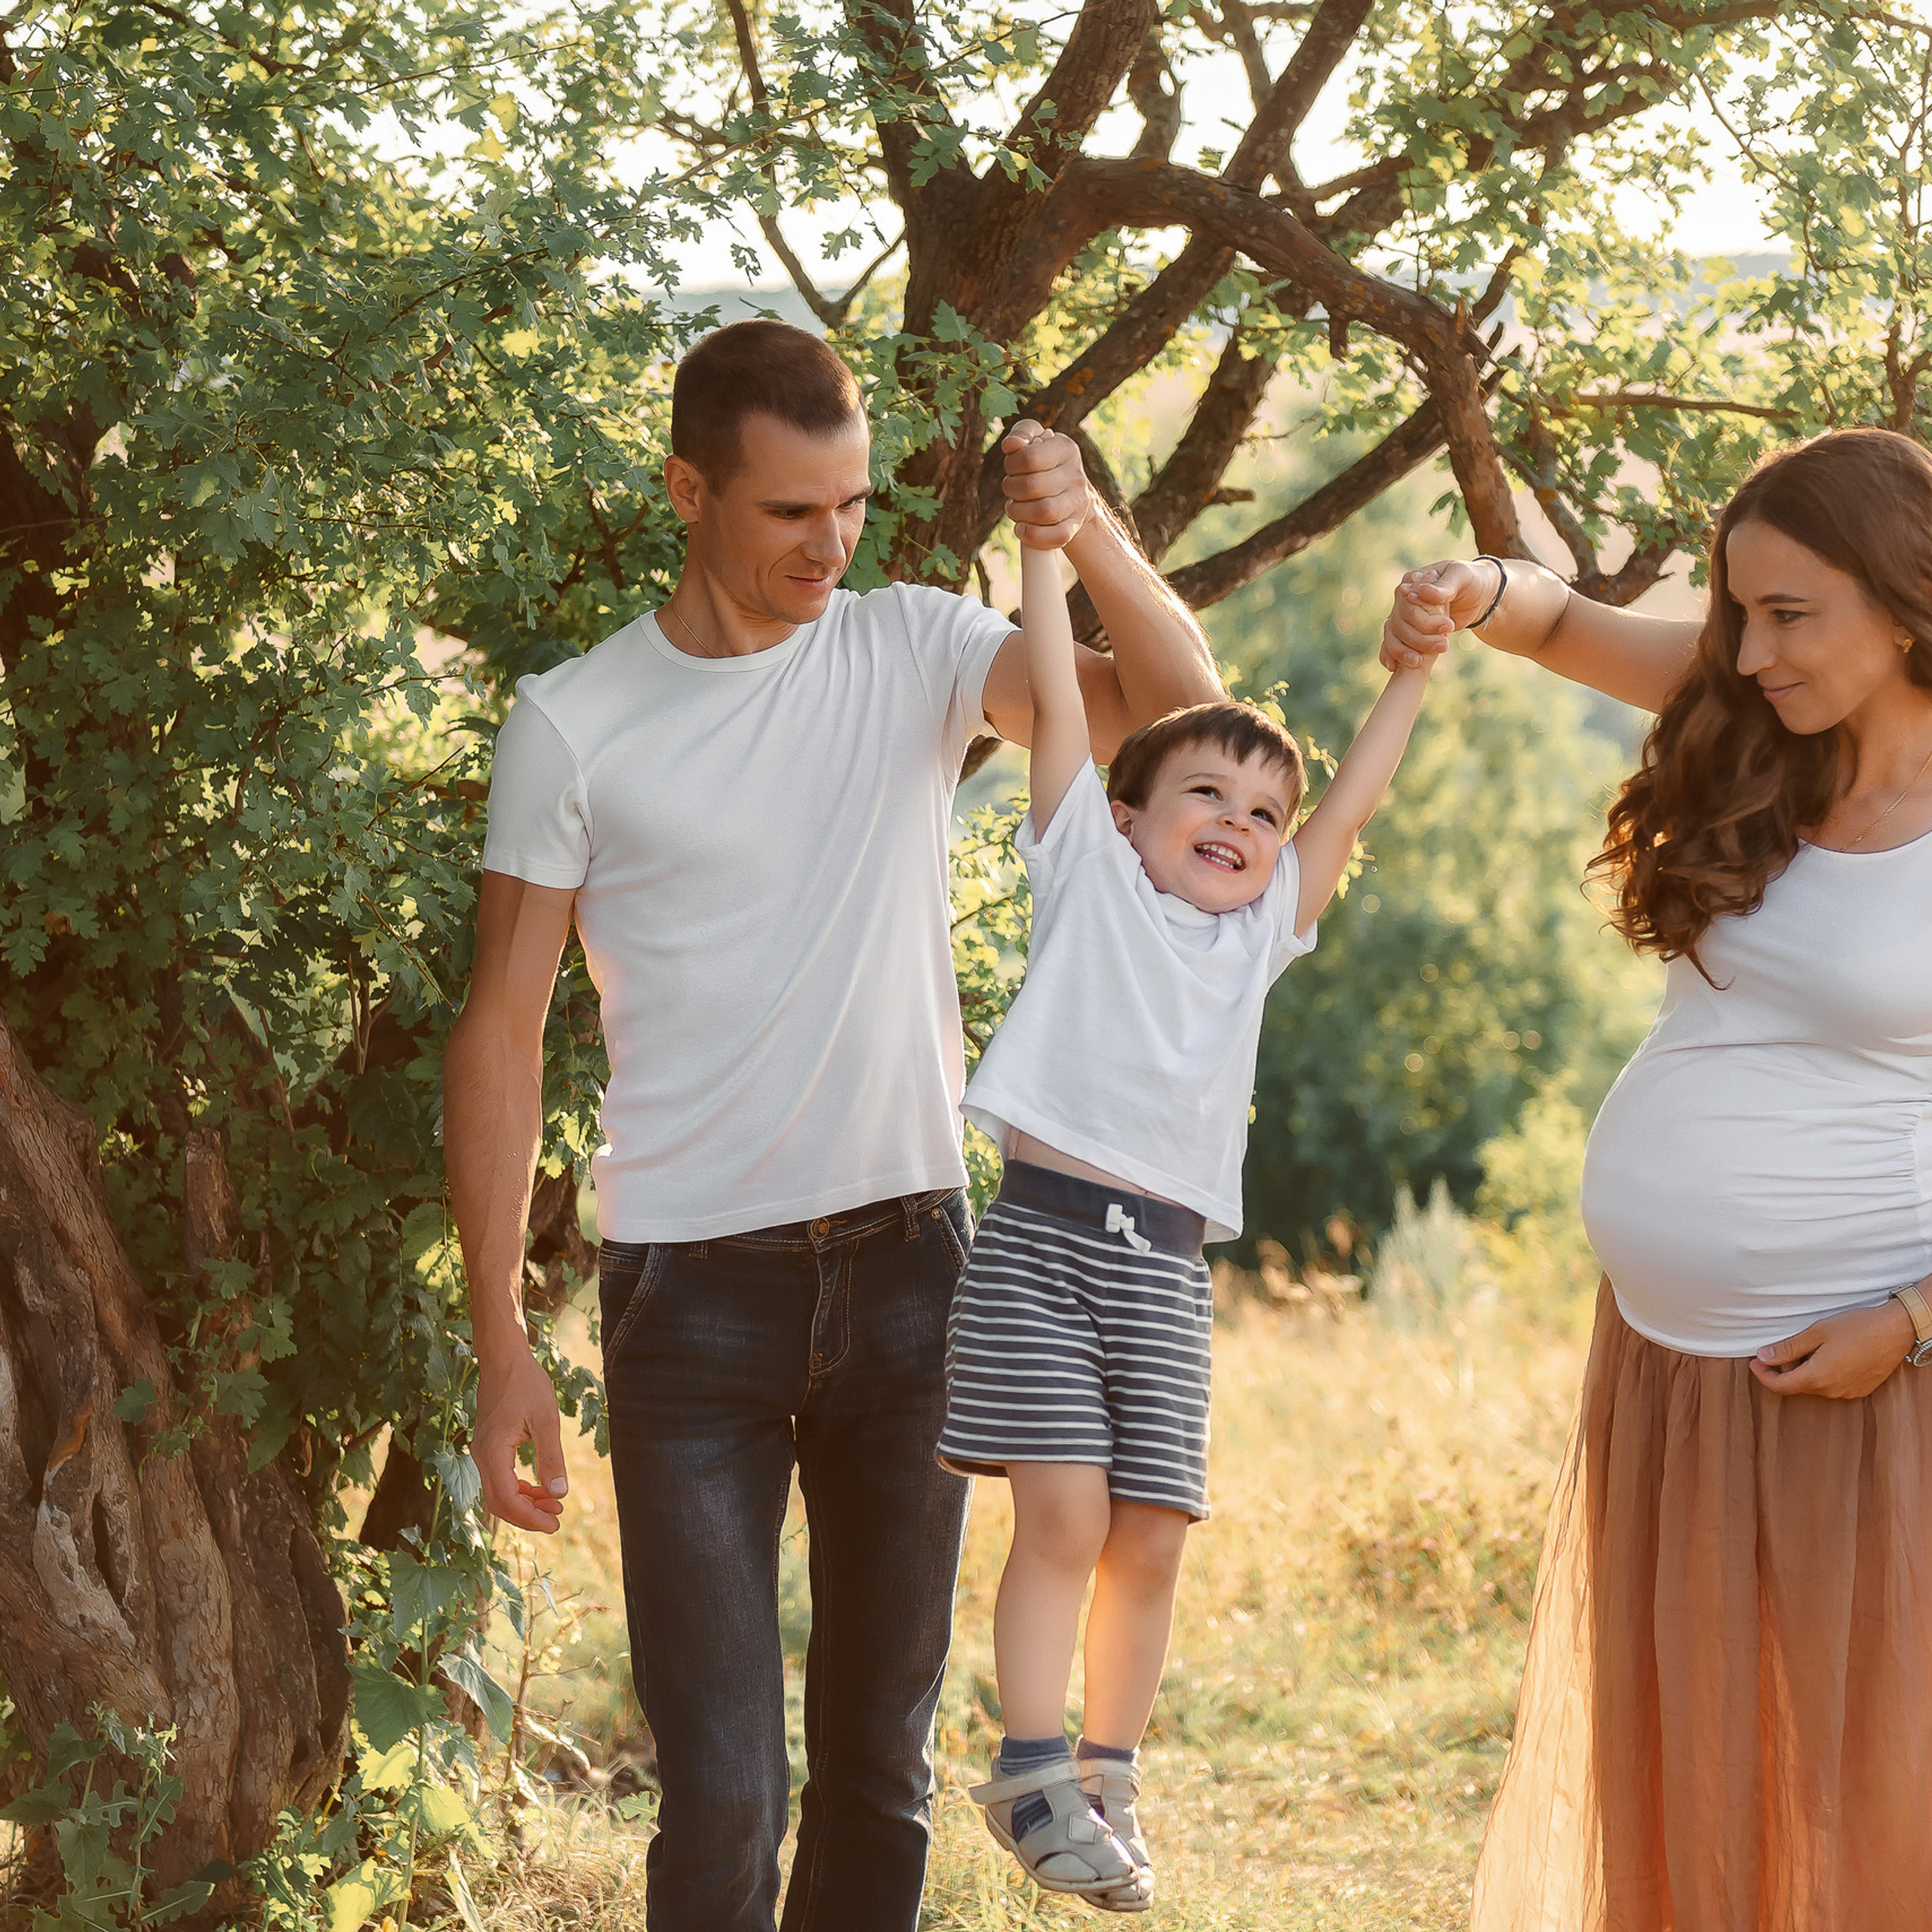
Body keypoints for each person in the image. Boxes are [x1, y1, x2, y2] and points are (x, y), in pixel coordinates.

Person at [440, 318, 1223, 1932]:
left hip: (913, 1273)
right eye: (792, 508)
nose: (831, 540)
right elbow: (499, 1032)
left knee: (879, 1766)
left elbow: (1180, 707)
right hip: (687, 1299)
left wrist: (1080, 528)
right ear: (687, 486)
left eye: (853, 502)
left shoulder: (916, 649)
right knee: (725, 1792)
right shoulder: (576, 722)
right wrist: (499, 1338)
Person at [1380, 426, 1932, 1930]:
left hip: (1856, 1381)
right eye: (1733, 612)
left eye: (1786, 614)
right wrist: (1466, 585)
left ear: (1902, 600)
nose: (1745, 652)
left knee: (1869, 1804)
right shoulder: (1763, 727)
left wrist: (1910, 1316)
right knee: (1693, 1776)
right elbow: (1552, 620)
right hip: (1667, 1371)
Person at [939, 532, 1438, 1910]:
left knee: (1150, 1532)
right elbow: (1051, 680)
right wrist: (1045, 562)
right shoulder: (1084, 877)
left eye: (1262, 810)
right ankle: (1028, 1768)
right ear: (1126, 814)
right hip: (1041, 1247)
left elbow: (1352, 810)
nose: (1238, 820)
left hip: (1163, 1272)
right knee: (1064, 1512)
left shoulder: (1263, 933)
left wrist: (1408, 677)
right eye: (1202, 792)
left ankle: (1108, 1771)